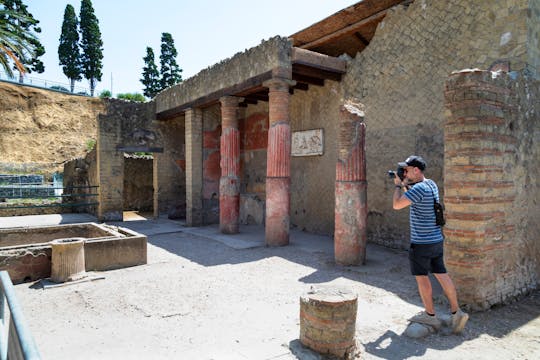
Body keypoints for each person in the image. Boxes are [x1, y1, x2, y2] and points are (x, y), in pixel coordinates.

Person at [392, 155, 468, 334]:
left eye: (407, 169)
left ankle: (430, 315)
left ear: (416, 170)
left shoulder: (417, 190)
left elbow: (397, 205)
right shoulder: (431, 184)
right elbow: (416, 194)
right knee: (442, 275)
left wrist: (397, 186)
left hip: (421, 244)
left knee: (422, 278)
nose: (405, 172)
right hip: (435, 240)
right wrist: (405, 184)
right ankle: (457, 313)